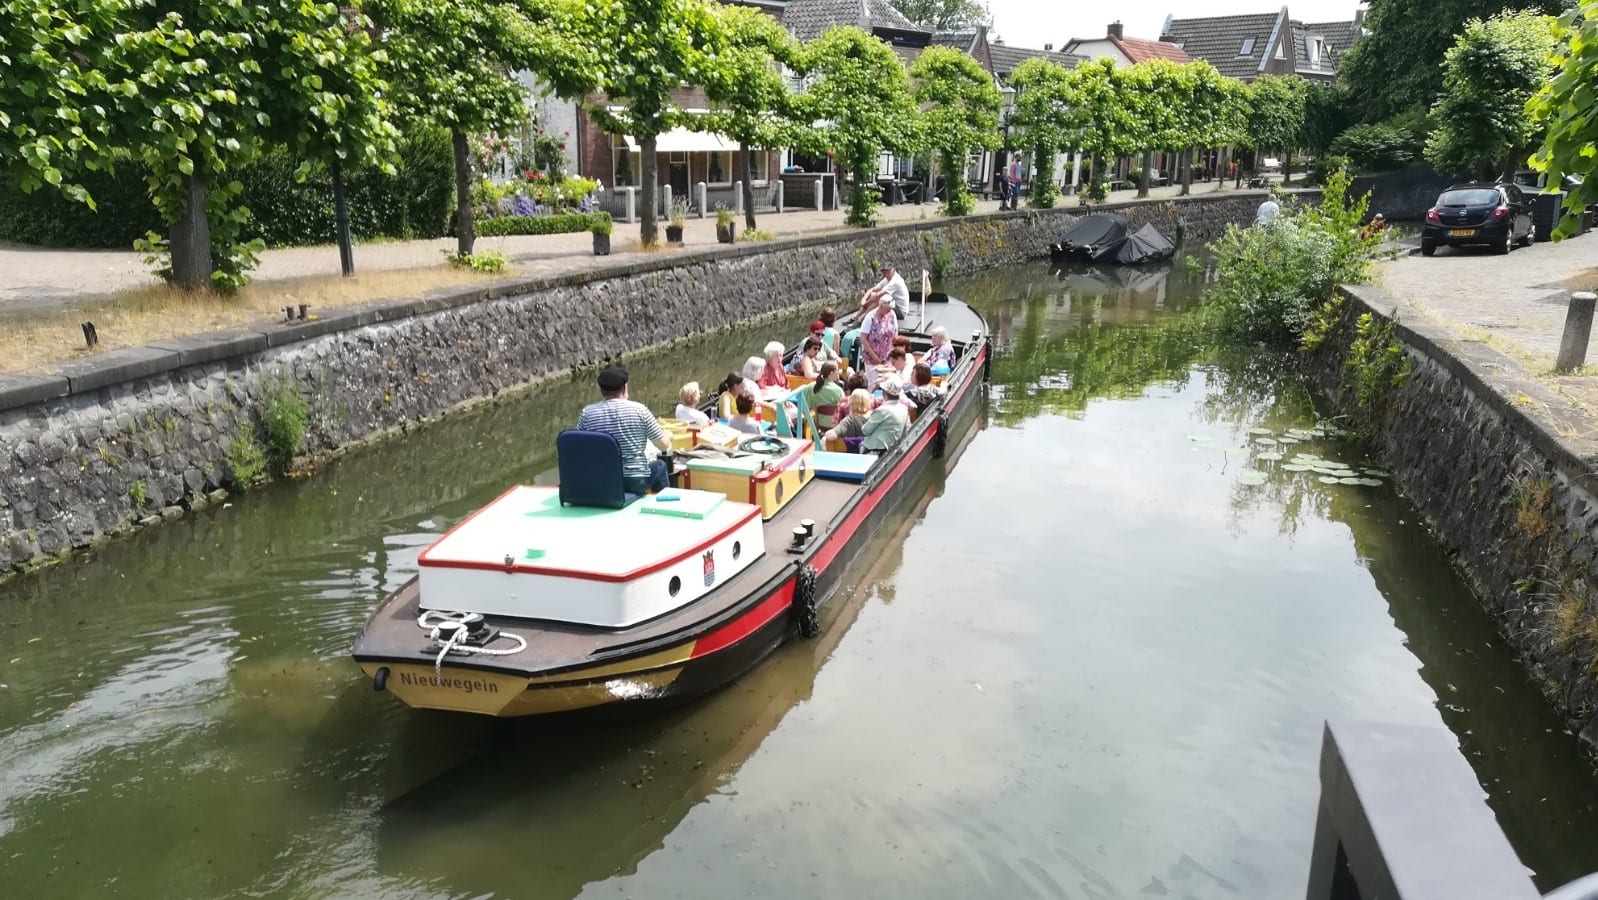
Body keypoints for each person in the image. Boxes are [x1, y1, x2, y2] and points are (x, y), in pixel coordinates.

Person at [575, 366, 672, 495]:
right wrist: (669, 436)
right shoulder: (640, 410)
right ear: (625, 388)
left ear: (602, 390)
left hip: (602, 481)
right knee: (660, 466)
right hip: (635, 482)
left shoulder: (587, 413)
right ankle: (660, 508)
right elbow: (663, 445)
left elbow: (578, 448)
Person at [861, 379, 910, 453]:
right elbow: (906, 431)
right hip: (892, 450)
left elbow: (865, 431)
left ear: (885, 393)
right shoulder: (904, 409)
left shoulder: (882, 411)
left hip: (874, 452)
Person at [861, 295, 898, 386]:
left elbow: (895, 333)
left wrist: (894, 350)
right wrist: (874, 356)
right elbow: (863, 338)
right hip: (873, 358)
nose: (890, 310)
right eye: (888, 309)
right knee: (874, 384)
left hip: (888, 355)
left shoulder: (892, 314)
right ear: (881, 307)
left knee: (887, 383)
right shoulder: (870, 317)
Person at [809, 362, 845, 430]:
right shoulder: (838, 390)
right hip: (835, 426)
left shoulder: (810, 387)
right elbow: (843, 409)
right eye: (837, 370)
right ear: (831, 373)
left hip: (816, 425)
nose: (838, 373)